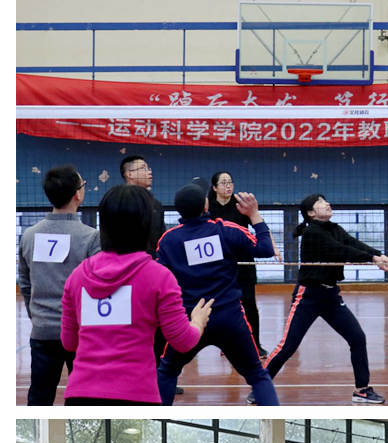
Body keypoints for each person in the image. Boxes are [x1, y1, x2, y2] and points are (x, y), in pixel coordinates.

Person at [60, 185, 212, 404]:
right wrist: (197, 321)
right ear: (146, 224)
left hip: (80, 394)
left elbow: (69, 343)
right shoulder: (159, 277)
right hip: (137, 394)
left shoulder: (77, 276)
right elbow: (183, 341)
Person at [156, 183, 280, 405]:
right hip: (229, 318)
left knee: (166, 371)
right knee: (257, 375)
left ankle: (158, 417)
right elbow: (266, 249)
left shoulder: (169, 240)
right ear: (205, 205)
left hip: (190, 320)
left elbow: (158, 278)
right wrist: (254, 214)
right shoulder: (226, 230)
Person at [264, 194, 388, 405]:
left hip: (331, 295)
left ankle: (362, 390)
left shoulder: (335, 229)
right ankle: (260, 386)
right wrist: (373, 259)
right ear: (311, 213)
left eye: (326, 201)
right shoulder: (312, 233)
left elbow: (352, 243)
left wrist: (378, 254)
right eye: (320, 202)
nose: (327, 204)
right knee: (289, 345)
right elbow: (340, 251)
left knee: (357, 338)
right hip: (308, 296)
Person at [18, 165, 100, 405]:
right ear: (78, 194)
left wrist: (38, 316)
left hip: (42, 330)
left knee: (39, 396)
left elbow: (25, 284)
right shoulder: (90, 237)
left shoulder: (29, 235)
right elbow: (97, 286)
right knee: (83, 397)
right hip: (81, 332)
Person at [207, 171, 268, 355]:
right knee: (222, 306)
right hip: (219, 266)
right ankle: (227, 345)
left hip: (244, 263)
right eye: (223, 182)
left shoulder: (241, 205)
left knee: (249, 304)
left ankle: (255, 345)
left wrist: (273, 245)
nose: (228, 186)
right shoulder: (209, 208)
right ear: (215, 187)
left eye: (230, 182)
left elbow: (258, 224)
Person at [119, 154, 167, 254]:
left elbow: (161, 238)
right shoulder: (118, 203)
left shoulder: (156, 205)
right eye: (143, 168)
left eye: (148, 169)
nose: (149, 172)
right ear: (129, 174)